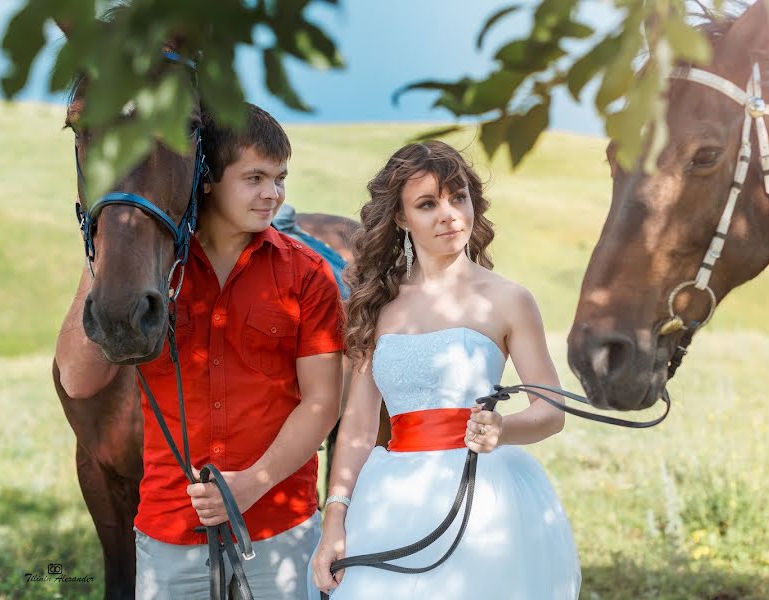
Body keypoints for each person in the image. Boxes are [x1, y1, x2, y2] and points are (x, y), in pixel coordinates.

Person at [57, 103, 345, 599]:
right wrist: (106, 245)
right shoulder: (162, 275)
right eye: (254, 178)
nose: (271, 194)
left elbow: (322, 401)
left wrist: (252, 484)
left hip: (280, 524)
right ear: (207, 178)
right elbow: (79, 381)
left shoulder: (305, 274)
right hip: (170, 529)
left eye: (280, 179)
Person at [308, 140, 581, 599]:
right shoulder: (379, 306)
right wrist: (335, 516)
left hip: (484, 497)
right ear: (400, 218)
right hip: (390, 499)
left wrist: (503, 429)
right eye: (427, 204)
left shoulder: (508, 299)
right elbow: (356, 428)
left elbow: (551, 409)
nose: (449, 214)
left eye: (458, 197)